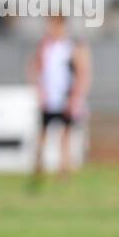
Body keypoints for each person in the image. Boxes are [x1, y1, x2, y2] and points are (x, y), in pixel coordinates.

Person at [28, 13, 91, 180]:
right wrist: (40, 91)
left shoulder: (70, 47)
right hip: (49, 98)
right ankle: (38, 166)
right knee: (43, 133)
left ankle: (63, 169)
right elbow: (35, 69)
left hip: (64, 97)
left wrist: (75, 97)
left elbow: (82, 72)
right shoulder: (45, 47)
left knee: (65, 135)